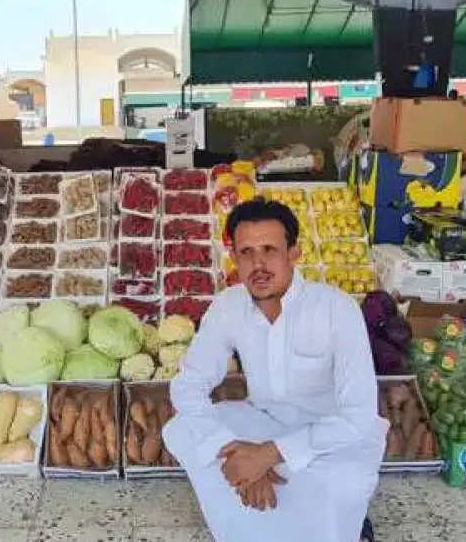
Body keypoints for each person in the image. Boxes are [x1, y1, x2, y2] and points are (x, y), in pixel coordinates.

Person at [163, 198, 387, 542]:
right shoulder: (229, 305)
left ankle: (335, 523)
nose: (259, 264)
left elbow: (357, 416)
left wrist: (268, 455)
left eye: (270, 249)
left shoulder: (336, 309)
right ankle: (255, 515)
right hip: (263, 422)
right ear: (234, 258)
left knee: (346, 481)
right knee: (179, 430)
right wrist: (234, 450)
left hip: (328, 438)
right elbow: (188, 385)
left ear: (293, 254)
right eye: (247, 252)